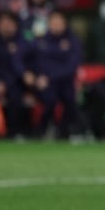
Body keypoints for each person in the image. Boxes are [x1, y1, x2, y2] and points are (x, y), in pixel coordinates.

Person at [25, 10, 83, 139]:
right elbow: (26, 60)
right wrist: (29, 74)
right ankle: (41, 130)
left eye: (59, 22)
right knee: (49, 99)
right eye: (53, 22)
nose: (56, 25)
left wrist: (49, 77)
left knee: (70, 99)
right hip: (41, 83)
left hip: (64, 82)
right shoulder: (39, 41)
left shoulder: (72, 42)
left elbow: (71, 66)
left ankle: (64, 131)